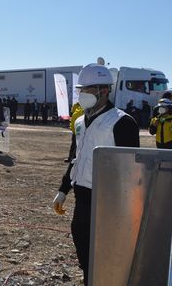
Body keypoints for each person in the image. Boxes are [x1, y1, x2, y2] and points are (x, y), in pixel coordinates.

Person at [52, 63, 139, 285]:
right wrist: (63, 190)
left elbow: (130, 169)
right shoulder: (80, 121)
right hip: (82, 194)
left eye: (89, 90)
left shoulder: (121, 122)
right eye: (82, 89)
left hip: (108, 199)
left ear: (104, 90)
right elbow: (76, 157)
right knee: (81, 239)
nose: (84, 94)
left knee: (105, 251)